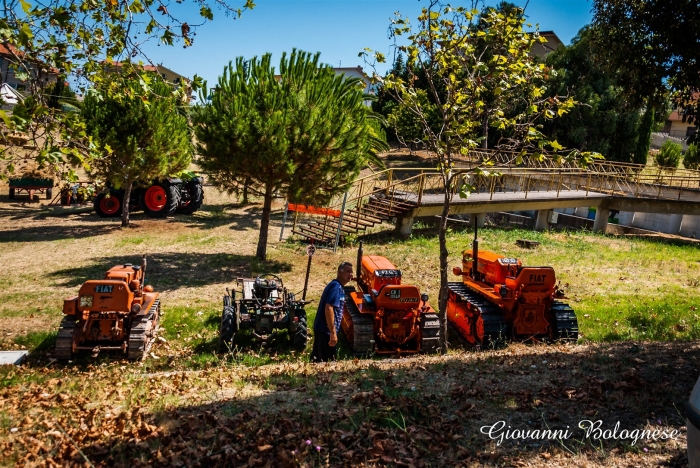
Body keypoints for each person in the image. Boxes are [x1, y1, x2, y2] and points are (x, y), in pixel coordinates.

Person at [311, 261, 354, 363]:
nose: (351, 274)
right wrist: (332, 332)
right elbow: (328, 308)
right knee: (328, 363)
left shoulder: (338, 287)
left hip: (323, 330)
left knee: (317, 361)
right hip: (326, 331)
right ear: (340, 272)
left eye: (352, 272)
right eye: (348, 271)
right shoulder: (336, 287)